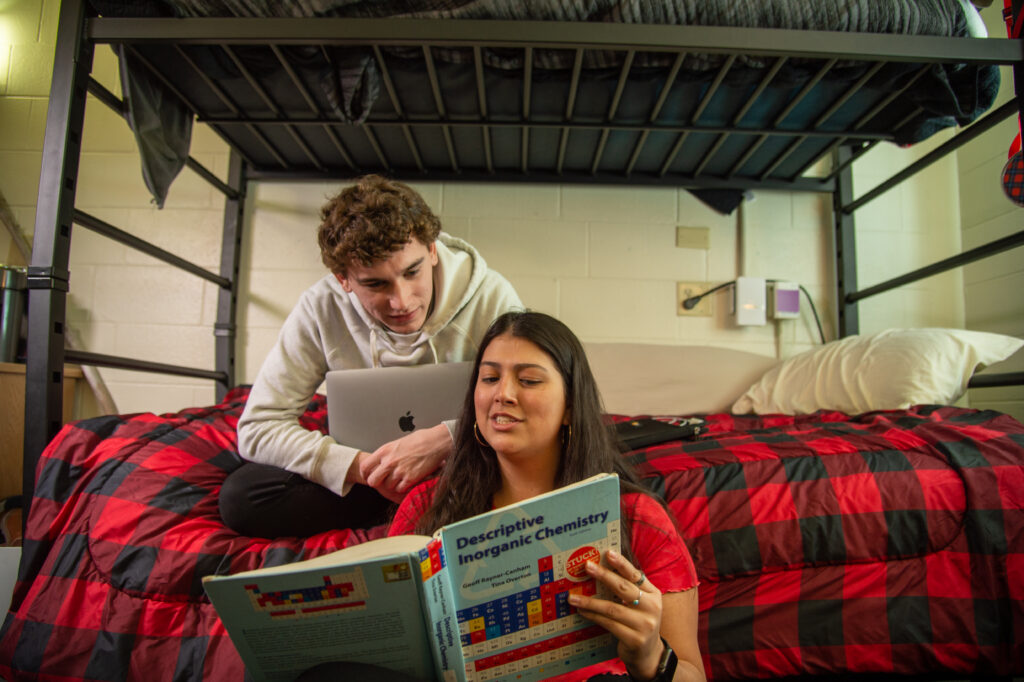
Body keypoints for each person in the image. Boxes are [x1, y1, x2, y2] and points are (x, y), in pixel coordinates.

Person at [388, 311, 705, 682]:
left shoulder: (637, 517)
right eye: (489, 378)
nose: (502, 394)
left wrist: (652, 659)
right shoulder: (427, 506)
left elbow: (692, 673)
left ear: (570, 407)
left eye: (529, 380)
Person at [220, 175, 522, 537]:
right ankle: (412, 511)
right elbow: (257, 428)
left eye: (413, 272)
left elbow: (534, 403)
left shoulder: (492, 296)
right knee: (243, 497)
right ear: (343, 279)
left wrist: (446, 439)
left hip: (466, 464)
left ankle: (414, 510)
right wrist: (362, 468)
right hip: (372, 479)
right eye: (375, 284)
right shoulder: (320, 307)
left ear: (432, 250)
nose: (403, 302)